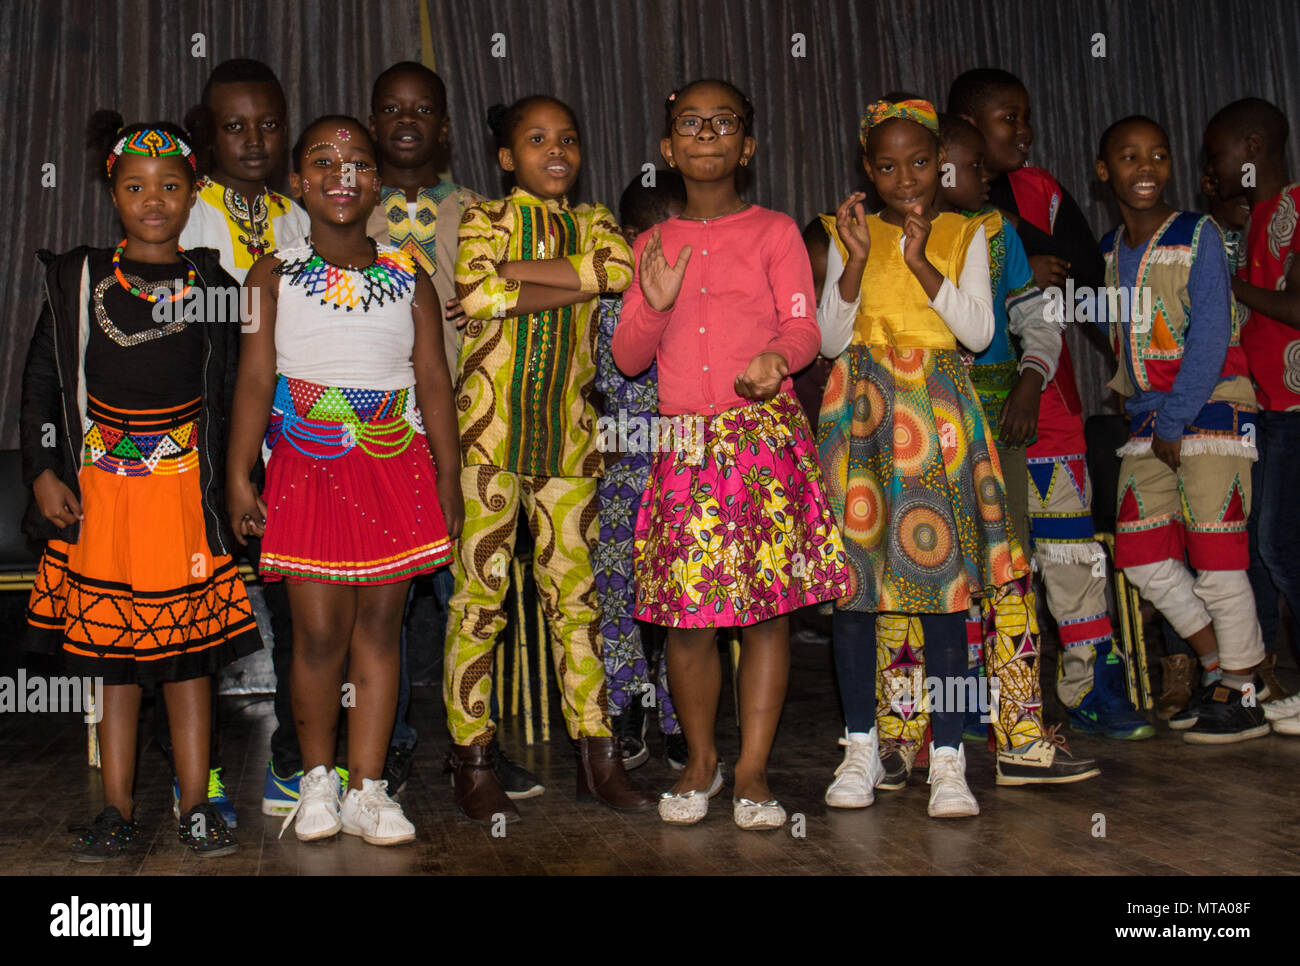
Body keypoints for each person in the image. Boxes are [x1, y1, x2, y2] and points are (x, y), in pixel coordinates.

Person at [23, 115, 262, 858]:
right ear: (111, 192)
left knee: (188, 664)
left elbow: (239, 391)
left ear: (194, 193)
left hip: (183, 502)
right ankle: (118, 809)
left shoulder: (215, 286)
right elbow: (40, 382)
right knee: (115, 669)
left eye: (169, 185)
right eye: (135, 186)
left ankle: (197, 804)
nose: (152, 200)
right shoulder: (78, 277)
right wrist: (41, 470)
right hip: (103, 502)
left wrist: (238, 484)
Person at [615, 78, 849, 829]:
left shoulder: (776, 231)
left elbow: (804, 326)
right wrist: (653, 300)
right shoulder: (651, 244)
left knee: (765, 615)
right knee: (688, 618)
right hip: (684, 444)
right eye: (690, 122)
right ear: (667, 147)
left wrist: (776, 359)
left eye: (724, 123)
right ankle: (701, 762)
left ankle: (751, 769)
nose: (706, 133)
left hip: (761, 439)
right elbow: (625, 357)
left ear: (746, 144)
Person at [226, 115, 463, 844]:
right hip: (306, 464)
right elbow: (256, 376)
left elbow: (433, 380)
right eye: (323, 161)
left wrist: (448, 477)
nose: (342, 173)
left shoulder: (408, 275)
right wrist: (239, 475)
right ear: (298, 181)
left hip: (395, 464)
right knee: (319, 633)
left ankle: (370, 787)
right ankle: (318, 780)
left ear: (377, 182)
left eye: (358, 161)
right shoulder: (271, 273)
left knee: (381, 631)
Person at [445, 95, 653, 823]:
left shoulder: (598, 221)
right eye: (537, 140)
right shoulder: (481, 218)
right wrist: (573, 277)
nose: (555, 150)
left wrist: (519, 281)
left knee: (579, 605)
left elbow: (619, 272)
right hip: (488, 437)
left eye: (568, 138)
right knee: (480, 602)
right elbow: (475, 289)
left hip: (571, 439)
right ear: (508, 158)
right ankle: (471, 760)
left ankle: (597, 759)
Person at [818, 97, 1023, 819]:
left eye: (917, 162)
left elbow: (974, 332)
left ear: (939, 165)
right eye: (885, 164)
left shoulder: (965, 231)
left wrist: (918, 262)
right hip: (863, 417)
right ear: (867, 171)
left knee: (943, 589)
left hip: (935, 417)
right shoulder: (848, 234)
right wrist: (860, 261)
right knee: (855, 588)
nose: (904, 176)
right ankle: (860, 748)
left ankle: (947, 759)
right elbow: (830, 339)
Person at [364, 60, 542, 799]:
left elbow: (531, 302)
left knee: (473, 593)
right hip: (374, 436)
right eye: (392, 108)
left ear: (444, 125)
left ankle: (477, 743)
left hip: (471, 431)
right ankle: (391, 744)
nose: (408, 119)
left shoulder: (483, 214)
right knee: (385, 601)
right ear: (374, 124)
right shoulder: (343, 213)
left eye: (424, 108)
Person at [949, 68, 1145, 738]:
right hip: (965, 421)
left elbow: (1086, 280)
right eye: (1010, 118)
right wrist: (1016, 262)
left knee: (1069, 553)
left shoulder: (1042, 194)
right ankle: (983, 690)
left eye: (1027, 116)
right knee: (981, 560)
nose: (1025, 132)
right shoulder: (928, 215)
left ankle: (1092, 681)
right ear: (967, 126)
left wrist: (1128, 371)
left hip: (1047, 408)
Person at [1095, 114, 1268, 743]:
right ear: (1103, 170)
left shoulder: (1198, 235)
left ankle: (1244, 688)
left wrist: (1172, 416)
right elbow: (1126, 339)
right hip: (1152, 422)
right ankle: (1221, 664)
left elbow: (1211, 337)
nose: (1146, 168)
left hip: (1212, 408)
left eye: (1159, 155)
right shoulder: (1111, 250)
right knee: (1141, 555)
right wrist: (1132, 398)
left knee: (1219, 557)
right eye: (1130, 156)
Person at [174, 57, 310, 824]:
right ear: (210, 133)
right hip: (197, 442)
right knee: (194, 610)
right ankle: (196, 777)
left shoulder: (302, 220)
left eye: (267, 124)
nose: (253, 139)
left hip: (291, 446)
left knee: (296, 609)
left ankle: (291, 764)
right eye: (234, 126)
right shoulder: (180, 212)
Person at [1204, 97, 1300, 735]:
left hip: (1296, 404)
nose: (1211, 167)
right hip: (1264, 409)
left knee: (1281, 546)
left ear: (1253, 147)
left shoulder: (1297, 206)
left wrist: (1229, 285)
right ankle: (1260, 686)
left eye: (1218, 155)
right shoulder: (1254, 217)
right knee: (1258, 553)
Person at [593, 170, 686, 769]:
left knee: (685, 591)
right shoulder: (606, 297)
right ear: (630, 238)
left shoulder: (703, 297)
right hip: (623, 458)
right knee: (616, 581)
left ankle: (680, 715)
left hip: (689, 457)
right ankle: (626, 702)